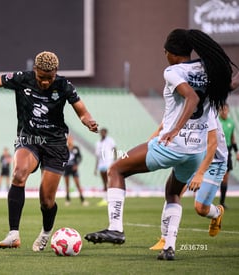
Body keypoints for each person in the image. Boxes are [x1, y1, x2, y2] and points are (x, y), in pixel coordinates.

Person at [84, 28, 236, 261]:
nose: (164, 54)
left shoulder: (172, 71)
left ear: (172, 53)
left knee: (116, 169)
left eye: (165, 51)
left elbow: (192, 98)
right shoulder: (207, 70)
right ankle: (169, 247)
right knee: (173, 192)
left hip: (170, 145)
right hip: (195, 151)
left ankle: (115, 228)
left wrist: (174, 129)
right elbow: (228, 87)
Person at [0, 51, 98, 251]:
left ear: (56, 73)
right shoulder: (22, 79)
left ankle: (45, 233)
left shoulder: (64, 85)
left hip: (55, 144)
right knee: (18, 174)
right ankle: (13, 234)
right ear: (34, 70)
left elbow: (82, 111)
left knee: (46, 200)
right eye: (41, 78)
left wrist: (88, 121)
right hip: (29, 139)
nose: (45, 82)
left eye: (49, 78)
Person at [150, 113, 227, 251]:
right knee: (173, 192)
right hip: (192, 157)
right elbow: (162, 127)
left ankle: (217, 213)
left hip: (214, 161)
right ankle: (164, 239)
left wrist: (200, 173)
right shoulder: (179, 106)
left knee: (200, 208)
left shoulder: (206, 109)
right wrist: (147, 149)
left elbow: (213, 144)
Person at [218, 103, 239, 209]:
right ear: (219, 111)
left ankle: (222, 202)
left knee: (225, 178)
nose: (224, 112)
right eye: (222, 110)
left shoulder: (231, 123)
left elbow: (232, 138)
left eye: (225, 110)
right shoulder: (216, 122)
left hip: (227, 152)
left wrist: (237, 151)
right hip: (216, 152)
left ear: (228, 111)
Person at [94, 128, 117, 206]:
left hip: (109, 163)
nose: (102, 133)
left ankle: (111, 199)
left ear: (106, 133)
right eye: (101, 132)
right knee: (104, 182)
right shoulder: (98, 143)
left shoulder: (110, 140)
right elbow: (97, 156)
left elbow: (115, 149)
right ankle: (105, 199)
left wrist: (115, 161)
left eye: (104, 132)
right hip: (101, 164)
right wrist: (95, 168)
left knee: (109, 181)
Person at [64, 135, 88, 206]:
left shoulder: (76, 148)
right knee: (67, 185)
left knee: (78, 184)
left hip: (73, 168)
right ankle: (68, 199)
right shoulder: (65, 148)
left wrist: (76, 165)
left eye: (70, 139)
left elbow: (79, 157)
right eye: (68, 139)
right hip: (66, 168)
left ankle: (82, 199)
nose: (69, 141)